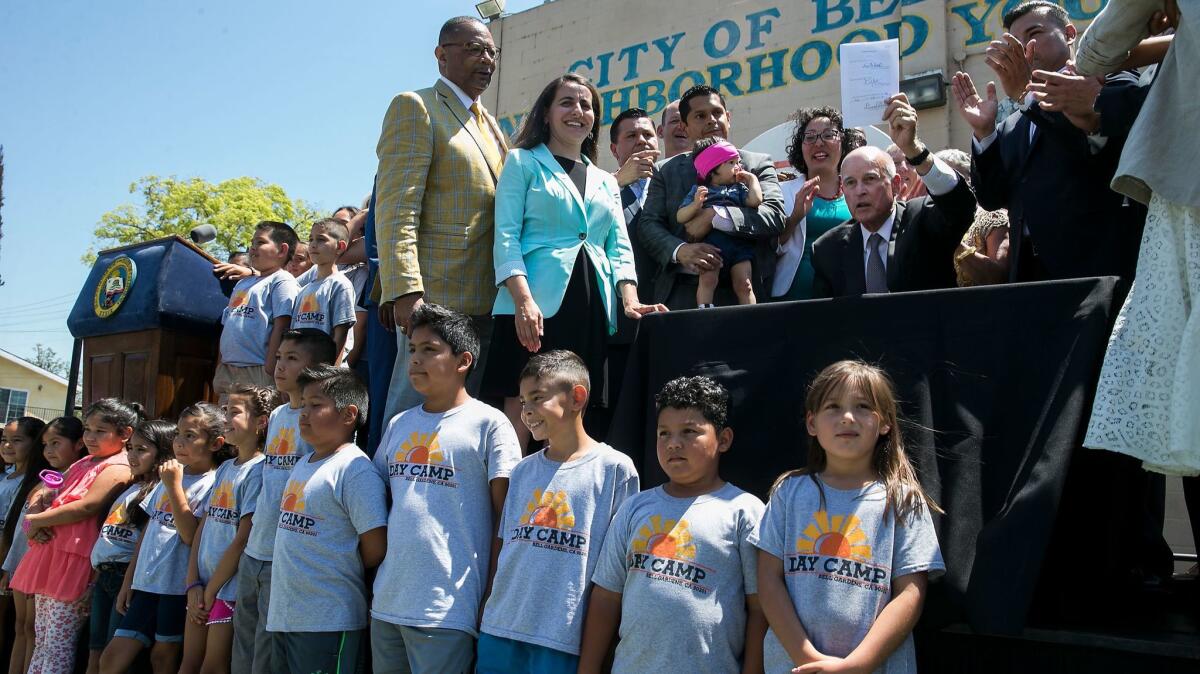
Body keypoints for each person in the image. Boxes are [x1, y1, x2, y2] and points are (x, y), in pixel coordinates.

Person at [481, 72, 665, 448]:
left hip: (592, 304)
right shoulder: (522, 162)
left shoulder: (605, 180)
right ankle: (509, 499)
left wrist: (628, 297)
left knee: (575, 406)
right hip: (531, 306)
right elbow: (505, 236)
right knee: (523, 405)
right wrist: (523, 300)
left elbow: (619, 247)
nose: (578, 111)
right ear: (546, 113)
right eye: (567, 102)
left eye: (586, 105)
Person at [751, 360, 945, 672]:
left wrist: (858, 665)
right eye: (833, 406)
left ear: (885, 424)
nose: (847, 417)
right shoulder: (789, 492)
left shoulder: (904, 500)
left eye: (863, 406)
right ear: (812, 423)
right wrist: (808, 659)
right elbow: (768, 580)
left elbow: (911, 593)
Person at [578, 376, 766, 674]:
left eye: (689, 431)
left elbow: (760, 610)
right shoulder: (634, 508)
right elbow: (606, 597)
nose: (673, 443)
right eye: (664, 433)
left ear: (724, 439)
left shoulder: (746, 511)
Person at [370, 304, 521, 674]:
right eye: (412, 350)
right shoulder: (400, 423)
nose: (416, 360)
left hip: (447, 610)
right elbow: (376, 500)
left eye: (430, 349)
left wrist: (492, 595)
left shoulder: (490, 424)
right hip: (386, 604)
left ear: (463, 360)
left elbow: (508, 519)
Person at [951, 0, 1148, 282]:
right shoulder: (1013, 123)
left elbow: (1090, 151)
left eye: (1033, 34)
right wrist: (985, 134)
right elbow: (993, 197)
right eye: (1016, 43)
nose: (1024, 50)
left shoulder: (1106, 81)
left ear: (1069, 34)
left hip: (1096, 271)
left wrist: (1027, 95)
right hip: (1031, 281)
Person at [375, 15, 509, 421]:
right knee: (413, 416)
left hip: (485, 301)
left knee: (459, 427)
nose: (486, 58)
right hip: (433, 298)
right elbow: (397, 206)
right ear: (441, 55)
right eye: (474, 49)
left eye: (491, 51)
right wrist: (405, 289)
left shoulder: (493, 126)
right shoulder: (416, 107)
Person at [477, 351, 640, 673]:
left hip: (563, 640)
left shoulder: (615, 470)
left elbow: (617, 574)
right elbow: (502, 546)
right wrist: (486, 610)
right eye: (523, 402)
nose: (526, 411)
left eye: (537, 398)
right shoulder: (521, 471)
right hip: (499, 630)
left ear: (577, 397)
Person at [263, 365, 388, 674]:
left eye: (316, 405)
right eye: (303, 404)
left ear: (348, 415)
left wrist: (335, 558)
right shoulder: (304, 462)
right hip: (285, 615)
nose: (304, 413)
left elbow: (375, 545)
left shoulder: (355, 469)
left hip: (328, 618)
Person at [232, 329, 336, 674]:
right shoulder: (276, 416)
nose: (280, 366)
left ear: (318, 366)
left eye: (292, 358)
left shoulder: (320, 421)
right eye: (279, 357)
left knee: (266, 651)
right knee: (243, 643)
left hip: (284, 555)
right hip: (254, 550)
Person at [100, 403, 225, 674]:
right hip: (147, 583)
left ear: (215, 443)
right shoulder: (168, 477)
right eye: (178, 434)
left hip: (177, 587)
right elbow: (148, 532)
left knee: (163, 658)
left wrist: (173, 486)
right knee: (111, 658)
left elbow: (191, 535)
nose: (179, 442)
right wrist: (129, 582)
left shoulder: (213, 482)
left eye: (190, 435)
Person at [811, 95, 977, 297]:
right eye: (850, 183)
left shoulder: (922, 219)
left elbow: (959, 204)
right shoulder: (827, 249)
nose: (860, 190)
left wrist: (913, 149)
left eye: (870, 179)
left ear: (896, 184)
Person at [638, 84, 787, 309]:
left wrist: (716, 215)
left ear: (728, 118)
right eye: (700, 116)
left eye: (717, 113)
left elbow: (774, 216)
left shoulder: (756, 163)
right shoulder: (666, 171)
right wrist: (681, 251)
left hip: (746, 293)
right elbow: (649, 225)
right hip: (684, 295)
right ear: (684, 128)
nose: (711, 120)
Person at [12, 411, 131, 674]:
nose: (90, 436)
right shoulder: (86, 461)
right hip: (52, 557)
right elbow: (47, 487)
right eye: (88, 429)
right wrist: (36, 508)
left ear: (125, 435)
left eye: (100, 431)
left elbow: (86, 507)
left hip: (74, 563)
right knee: (41, 640)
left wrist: (37, 521)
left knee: (57, 646)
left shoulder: (118, 467)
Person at [181, 386, 279, 674]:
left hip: (228, 591)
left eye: (233, 412)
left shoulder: (260, 471)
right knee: (188, 664)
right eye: (224, 411)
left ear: (261, 422)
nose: (225, 418)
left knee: (212, 667)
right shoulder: (224, 468)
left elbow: (241, 539)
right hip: (201, 589)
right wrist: (192, 584)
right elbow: (204, 525)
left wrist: (211, 591)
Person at [88, 419, 176, 674]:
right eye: (131, 448)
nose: (133, 455)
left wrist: (127, 582)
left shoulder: (160, 489)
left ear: (163, 452)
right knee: (95, 651)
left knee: (114, 656)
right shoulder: (129, 486)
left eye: (142, 449)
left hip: (126, 576)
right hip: (104, 575)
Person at [11, 418, 89, 674]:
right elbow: (25, 526)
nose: (49, 451)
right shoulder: (43, 482)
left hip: (58, 568)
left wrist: (36, 526)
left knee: (43, 636)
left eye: (56, 443)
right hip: (32, 562)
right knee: (28, 629)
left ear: (79, 444)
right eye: (45, 444)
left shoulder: (82, 481)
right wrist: (34, 529)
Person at [772, 107, 858, 300]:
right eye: (809, 137)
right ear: (800, 146)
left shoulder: (858, 190)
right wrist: (794, 218)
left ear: (844, 143)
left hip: (847, 298)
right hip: (793, 299)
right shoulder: (782, 191)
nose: (818, 143)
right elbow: (768, 248)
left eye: (828, 135)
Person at [215, 221, 301, 400]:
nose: (252, 248)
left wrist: (270, 367)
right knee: (228, 423)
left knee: (256, 424)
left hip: (258, 369)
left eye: (260, 242)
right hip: (229, 369)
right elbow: (227, 325)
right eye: (252, 243)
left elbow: (282, 325)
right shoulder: (242, 283)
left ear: (282, 250)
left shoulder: (282, 281)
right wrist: (220, 363)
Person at [677, 137, 764, 307]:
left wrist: (752, 179)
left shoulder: (739, 189)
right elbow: (680, 216)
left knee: (745, 285)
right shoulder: (700, 191)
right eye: (731, 162)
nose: (738, 167)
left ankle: (752, 316)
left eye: (738, 162)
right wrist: (695, 205)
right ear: (713, 169)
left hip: (739, 246)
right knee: (708, 280)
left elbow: (755, 201)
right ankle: (705, 310)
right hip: (712, 247)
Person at [1, 416, 49, 674]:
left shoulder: (44, 483)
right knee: (21, 626)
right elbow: (18, 524)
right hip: (13, 562)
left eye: (16, 440)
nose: (8, 446)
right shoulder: (11, 479)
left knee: (29, 627)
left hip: (30, 564)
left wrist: (35, 531)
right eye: (4, 440)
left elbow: (28, 525)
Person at [936, 148, 1012, 287]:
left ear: (969, 179)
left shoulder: (993, 217)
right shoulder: (929, 221)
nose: (941, 187)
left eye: (947, 178)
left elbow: (999, 277)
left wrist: (954, 243)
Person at [609, 107, 661, 301]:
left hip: (670, 302)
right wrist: (617, 182)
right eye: (631, 135)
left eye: (648, 134)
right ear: (614, 149)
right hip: (620, 302)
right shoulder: (598, 188)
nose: (641, 140)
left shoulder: (675, 186)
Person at [291, 218, 358, 366]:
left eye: (321, 239)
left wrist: (330, 372)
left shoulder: (340, 284)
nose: (313, 244)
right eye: (311, 239)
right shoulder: (304, 290)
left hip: (325, 371)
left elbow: (341, 333)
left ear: (340, 247)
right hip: (302, 367)